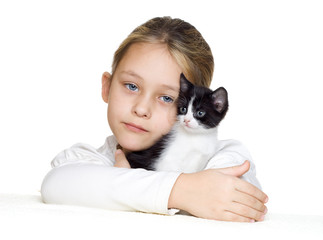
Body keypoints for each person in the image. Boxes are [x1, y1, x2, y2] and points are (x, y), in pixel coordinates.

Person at [41, 17, 268, 222]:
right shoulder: (91, 160)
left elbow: (237, 195)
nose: (141, 109)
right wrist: (182, 190)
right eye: (131, 86)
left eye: (167, 98)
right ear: (107, 87)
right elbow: (56, 184)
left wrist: (128, 185)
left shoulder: (221, 155)